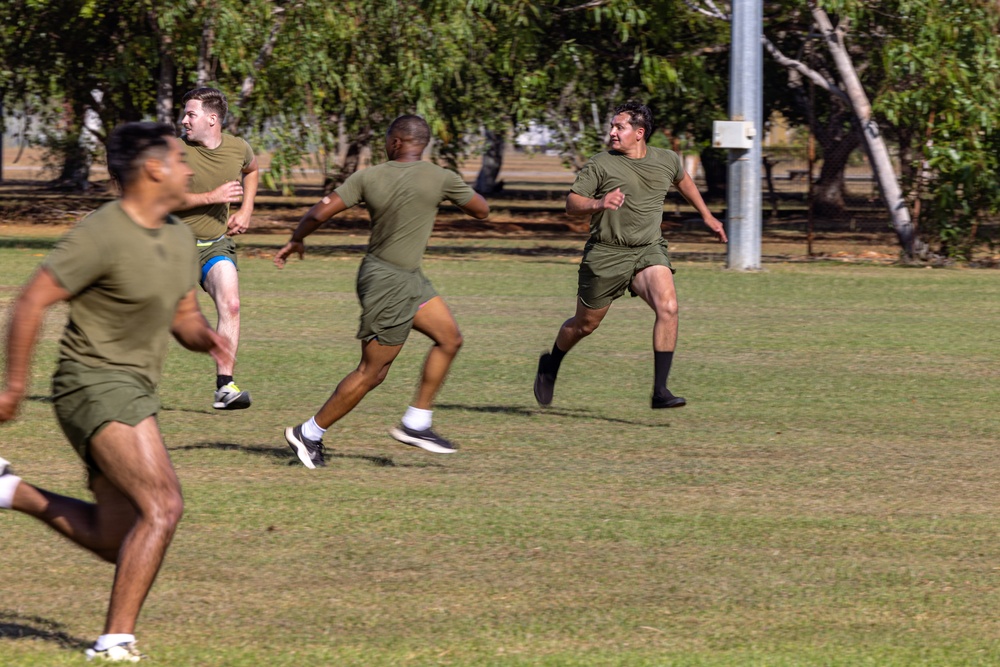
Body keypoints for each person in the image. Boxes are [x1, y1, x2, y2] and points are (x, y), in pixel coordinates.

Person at [0, 122, 231, 662]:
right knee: (164, 506)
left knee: (114, 538)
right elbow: (31, 301)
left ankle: (9, 491)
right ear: (153, 169)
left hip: (135, 390)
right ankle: (114, 642)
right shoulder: (101, 232)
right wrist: (13, 388)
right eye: (179, 159)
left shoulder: (178, 236)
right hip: (92, 382)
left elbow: (183, 316)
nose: (189, 168)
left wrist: (207, 337)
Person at [274, 114, 489, 468]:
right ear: (423, 144)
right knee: (372, 372)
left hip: (405, 278)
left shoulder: (367, 176)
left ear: (395, 142)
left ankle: (417, 422)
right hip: (389, 283)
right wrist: (452, 190)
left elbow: (320, 211)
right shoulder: (441, 177)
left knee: (450, 339)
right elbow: (481, 209)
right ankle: (308, 433)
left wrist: (297, 238)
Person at [534, 102, 727, 409]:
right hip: (606, 253)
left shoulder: (666, 159)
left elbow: (683, 181)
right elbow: (572, 203)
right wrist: (599, 203)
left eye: (619, 127)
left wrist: (707, 215)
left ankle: (660, 391)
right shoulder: (601, 164)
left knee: (669, 307)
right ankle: (551, 362)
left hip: (648, 249)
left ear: (639, 133)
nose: (612, 132)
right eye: (612, 126)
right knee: (585, 325)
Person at [175, 87, 259, 410]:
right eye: (185, 114)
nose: (184, 121)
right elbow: (160, 199)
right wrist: (211, 197)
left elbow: (252, 170)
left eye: (190, 114)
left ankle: (225, 387)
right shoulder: (175, 151)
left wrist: (246, 209)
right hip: (171, 247)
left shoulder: (238, 148)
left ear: (212, 119)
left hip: (214, 245)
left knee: (232, 304)